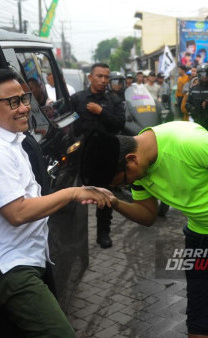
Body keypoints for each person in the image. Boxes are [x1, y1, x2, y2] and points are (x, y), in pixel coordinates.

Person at [80, 121, 208, 338]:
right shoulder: (138, 168)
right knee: (199, 315)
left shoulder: (187, 141)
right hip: (202, 235)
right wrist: (115, 203)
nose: (125, 186)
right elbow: (148, 215)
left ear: (131, 160)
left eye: (122, 182)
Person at [0, 69, 113, 337]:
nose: (24, 108)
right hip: (7, 268)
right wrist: (74, 193)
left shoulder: (9, 139)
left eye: (25, 98)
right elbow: (17, 212)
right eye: (13, 102)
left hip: (22, 258)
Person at [71, 63, 125, 248]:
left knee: (104, 196)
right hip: (81, 155)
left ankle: (103, 233)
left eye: (106, 77)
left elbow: (119, 123)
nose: (103, 80)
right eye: (99, 76)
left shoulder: (113, 101)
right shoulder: (77, 99)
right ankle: (72, 238)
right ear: (90, 78)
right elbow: (67, 122)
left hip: (105, 155)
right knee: (74, 194)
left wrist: (101, 112)